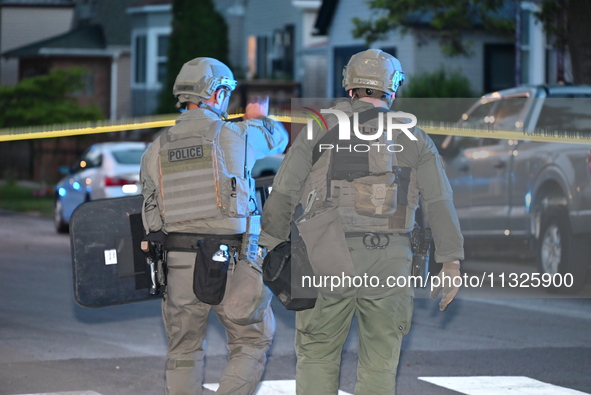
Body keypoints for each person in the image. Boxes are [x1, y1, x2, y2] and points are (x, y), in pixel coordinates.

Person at [258, 49, 464, 394]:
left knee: (318, 354)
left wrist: (269, 245)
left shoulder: (318, 129)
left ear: (349, 87)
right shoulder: (414, 136)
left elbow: (283, 192)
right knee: (380, 362)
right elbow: (439, 201)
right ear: (392, 88)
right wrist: (451, 261)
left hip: (325, 253)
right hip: (391, 259)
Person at [140, 57, 288, 395]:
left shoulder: (155, 148)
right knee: (250, 341)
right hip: (235, 262)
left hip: (178, 264)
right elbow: (278, 138)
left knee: (183, 351)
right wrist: (258, 117)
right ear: (218, 93)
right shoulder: (237, 134)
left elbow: (150, 213)